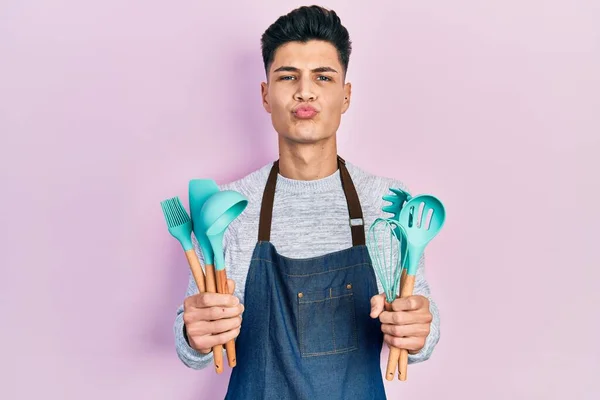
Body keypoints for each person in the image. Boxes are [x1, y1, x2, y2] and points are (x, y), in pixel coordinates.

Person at [173, 5, 440, 399]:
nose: (305, 91)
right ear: (265, 95)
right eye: (288, 76)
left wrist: (417, 330)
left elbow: (423, 332)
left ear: (345, 96)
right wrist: (192, 333)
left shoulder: (385, 203)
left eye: (323, 76)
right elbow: (191, 345)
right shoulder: (228, 208)